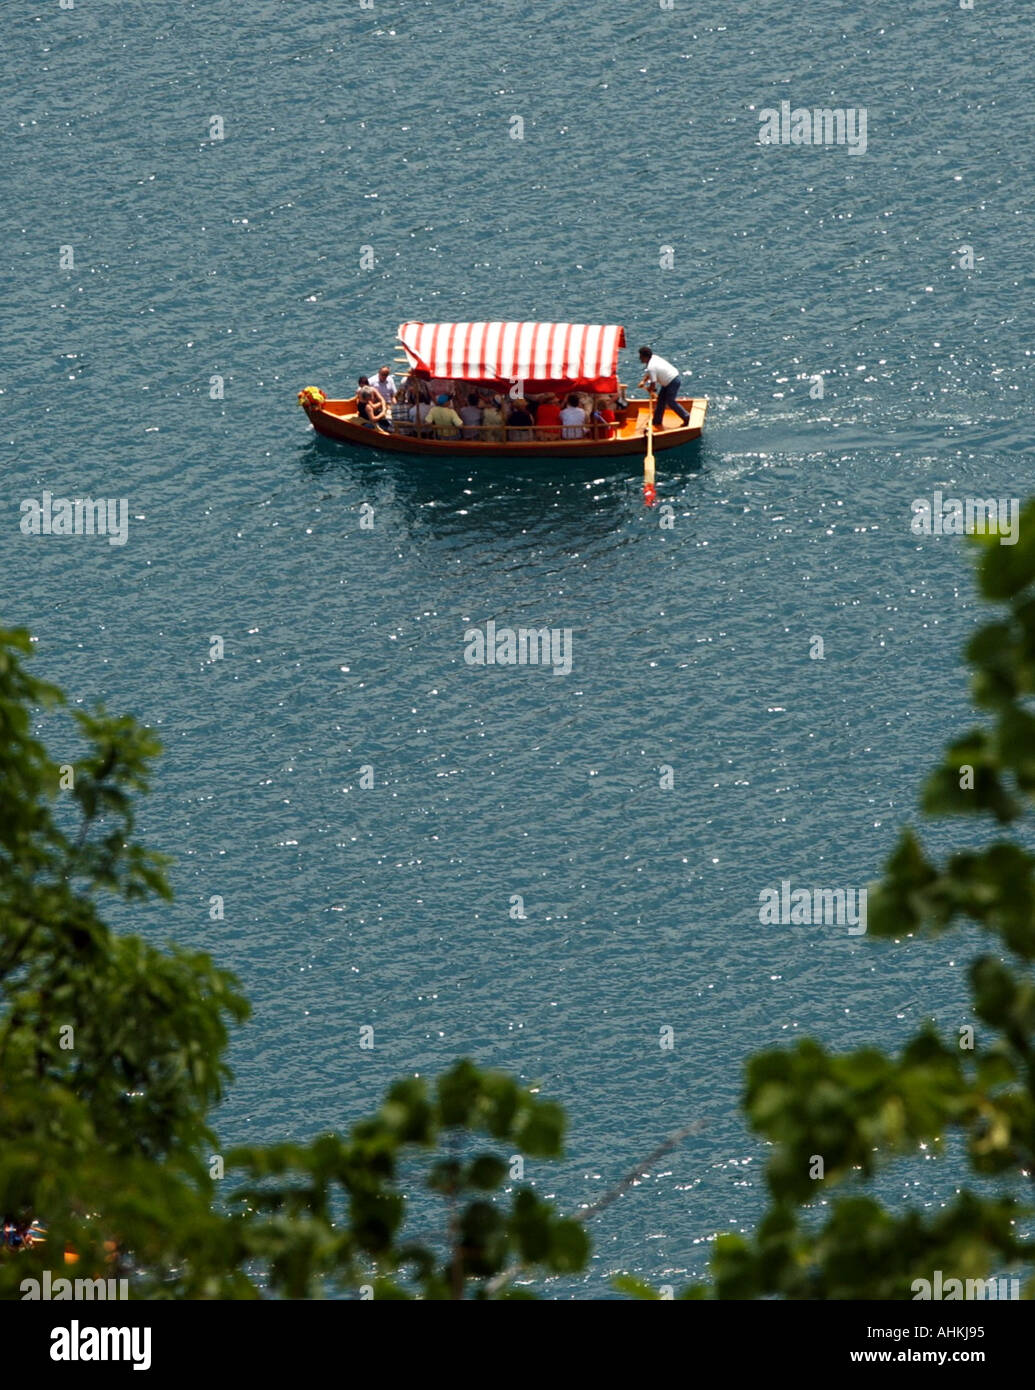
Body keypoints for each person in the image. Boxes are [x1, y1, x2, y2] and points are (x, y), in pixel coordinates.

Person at [637, 345, 691, 429]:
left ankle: (686, 417)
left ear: (645, 357)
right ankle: (657, 421)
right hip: (670, 380)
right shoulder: (654, 358)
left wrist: (650, 389)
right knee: (661, 401)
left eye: (641, 357)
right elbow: (649, 374)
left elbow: (653, 384)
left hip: (672, 381)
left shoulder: (651, 367)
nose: (640, 359)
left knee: (670, 401)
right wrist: (643, 381)